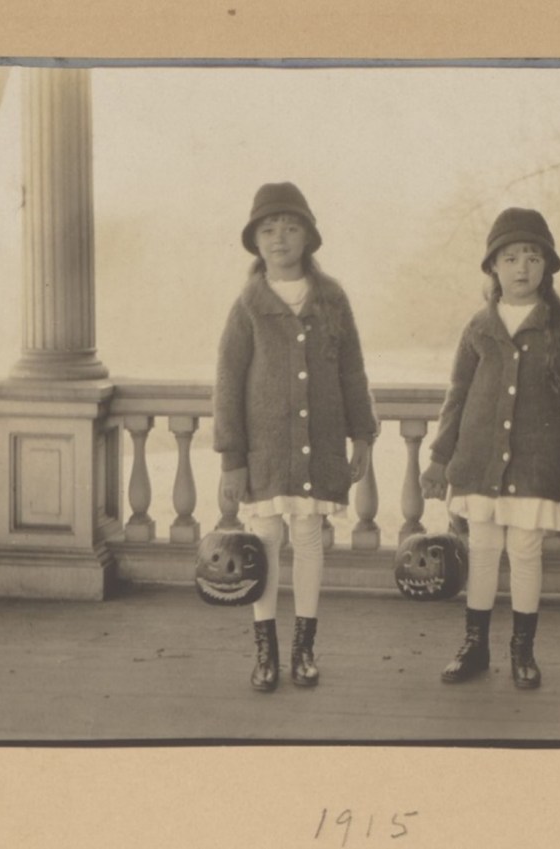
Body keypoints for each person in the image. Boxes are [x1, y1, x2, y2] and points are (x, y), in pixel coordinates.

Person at [420, 207, 560, 689]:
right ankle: (475, 645)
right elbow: (457, 397)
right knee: (482, 550)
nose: (522, 268)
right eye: (511, 258)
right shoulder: (479, 327)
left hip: (536, 462)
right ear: (493, 267)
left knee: (524, 551)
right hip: (478, 462)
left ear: (547, 267)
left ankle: (523, 651)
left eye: (533, 258)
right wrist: (439, 459)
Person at [214, 182, 377, 692]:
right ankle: (265, 651)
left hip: (319, 446)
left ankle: (304, 649)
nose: (279, 238)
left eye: (290, 228)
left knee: (308, 539)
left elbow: (352, 372)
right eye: (268, 230)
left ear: (308, 238)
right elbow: (228, 383)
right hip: (264, 451)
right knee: (263, 542)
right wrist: (232, 458)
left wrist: (362, 435)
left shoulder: (332, 299)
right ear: (255, 242)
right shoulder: (248, 305)